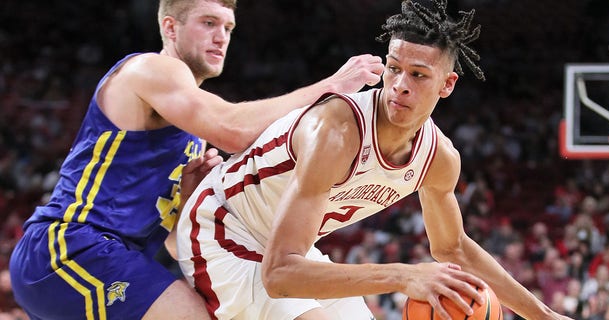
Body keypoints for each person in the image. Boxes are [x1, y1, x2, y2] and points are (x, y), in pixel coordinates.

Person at [176, 0, 572, 319]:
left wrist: (544, 316)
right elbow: (280, 275)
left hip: (291, 251)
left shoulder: (439, 158)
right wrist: (403, 276)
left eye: (418, 75)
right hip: (225, 232)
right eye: (394, 69)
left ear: (447, 84)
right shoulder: (337, 130)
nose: (400, 85)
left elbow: (453, 250)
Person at [8, 0, 384, 319]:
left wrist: (187, 204)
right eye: (208, 23)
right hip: (70, 247)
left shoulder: (189, 134)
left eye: (228, 27)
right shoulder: (152, 69)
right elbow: (232, 130)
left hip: (107, 256)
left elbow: (175, 245)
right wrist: (329, 87)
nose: (221, 36)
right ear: (170, 28)